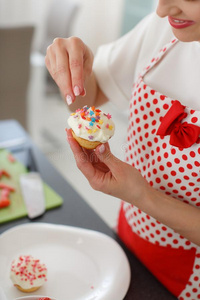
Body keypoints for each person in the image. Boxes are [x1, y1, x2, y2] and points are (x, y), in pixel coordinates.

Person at [45, 0, 200, 299]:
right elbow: (93, 93)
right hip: (127, 241)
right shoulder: (164, 27)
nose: (162, 10)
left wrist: (141, 194)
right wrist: (74, 70)